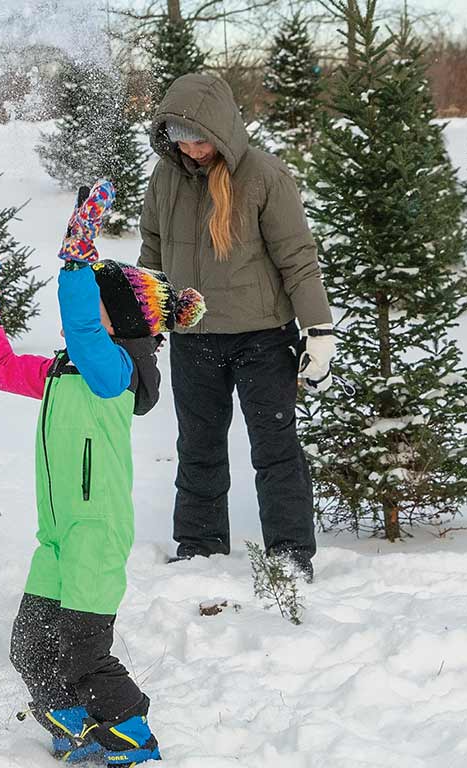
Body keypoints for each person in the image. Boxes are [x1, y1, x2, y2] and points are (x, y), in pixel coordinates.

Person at [0, 181, 205, 766]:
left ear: (113, 320)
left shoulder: (111, 371)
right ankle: (77, 730)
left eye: (91, 301)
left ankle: (132, 738)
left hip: (95, 534)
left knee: (83, 653)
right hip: (58, 537)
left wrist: (78, 255)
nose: (76, 315)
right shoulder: (63, 372)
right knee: (30, 650)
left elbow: (87, 329)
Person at [138, 73, 335, 580]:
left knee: (275, 448)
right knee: (198, 447)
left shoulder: (264, 176)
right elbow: (153, 253)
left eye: (201, 138)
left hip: (262, 337)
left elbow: (298, 257)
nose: (192, 149)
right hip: (193, 339)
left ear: (223, 130)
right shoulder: (165, 177)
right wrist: (149, 323)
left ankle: (290, 555)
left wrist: (318, 330)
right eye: (180, 137)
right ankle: (200, 550)